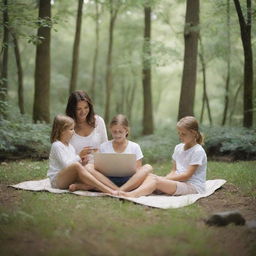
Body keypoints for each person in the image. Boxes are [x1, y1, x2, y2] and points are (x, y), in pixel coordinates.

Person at [119, 116, 207, 197]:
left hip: (193, 186)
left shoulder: (198, 151)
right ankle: (130, 190)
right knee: (149, 176)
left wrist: (164, 179)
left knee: (155, 180)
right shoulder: (178, 148)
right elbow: (174, 171)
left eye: (183, 134)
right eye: (179, 133)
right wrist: (166, 179)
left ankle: (132, 194)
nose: (180, 136)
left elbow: (187, 176)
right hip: (179, 182)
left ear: (194, 133)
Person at [70, 114, 152, 192]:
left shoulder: (135, 147)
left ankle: (115, 190)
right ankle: (118, 190)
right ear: (110, 130)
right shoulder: (104, 146)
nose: (117, 135)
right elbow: (97, 167)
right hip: (107, 179)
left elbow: (138, 169)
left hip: (128, 180)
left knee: (148, 167)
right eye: (114, 132)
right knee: (88, 167)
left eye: (120, 132)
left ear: (126, 131)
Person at [47, 114, 118, 195]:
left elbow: (73, 164)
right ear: (62, 130)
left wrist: (82, 162)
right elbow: (66, 166)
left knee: (88, 169)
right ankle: (108, 190)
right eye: (71, 129)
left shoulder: (70, 146)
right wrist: (79, 156)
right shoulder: (57, 146)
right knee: (77, 167)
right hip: (57, 181)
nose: (73, 132)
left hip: (68, 178)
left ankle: (111, 187)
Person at [66, 90, 108, 164]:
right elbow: (65, 156)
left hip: (98, 167)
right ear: (72, 109)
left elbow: (106, 148)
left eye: (86, 107)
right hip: (77, 168)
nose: (83, 112)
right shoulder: (66, 126)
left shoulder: (98, 121)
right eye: (79, 109)